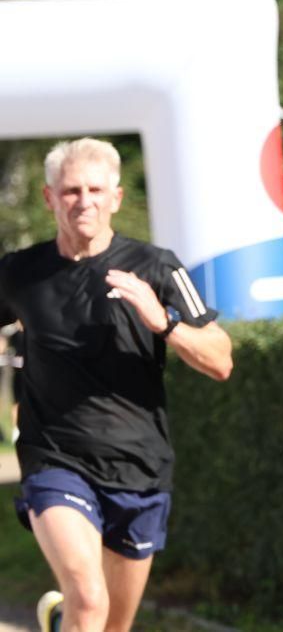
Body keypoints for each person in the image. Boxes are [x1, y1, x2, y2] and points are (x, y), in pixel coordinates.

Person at [0, 138, 233, 632]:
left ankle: (61, 621)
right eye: (70, 191)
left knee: (113, 625)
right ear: (49, 197)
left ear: (116, 198)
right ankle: (72, 612)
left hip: (139, 466)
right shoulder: (20, 272)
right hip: (55, 459)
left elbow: (221, 360)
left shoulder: (157, 266)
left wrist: (163, 322)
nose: (83, 201)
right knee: (89, 599)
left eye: (95, 190)